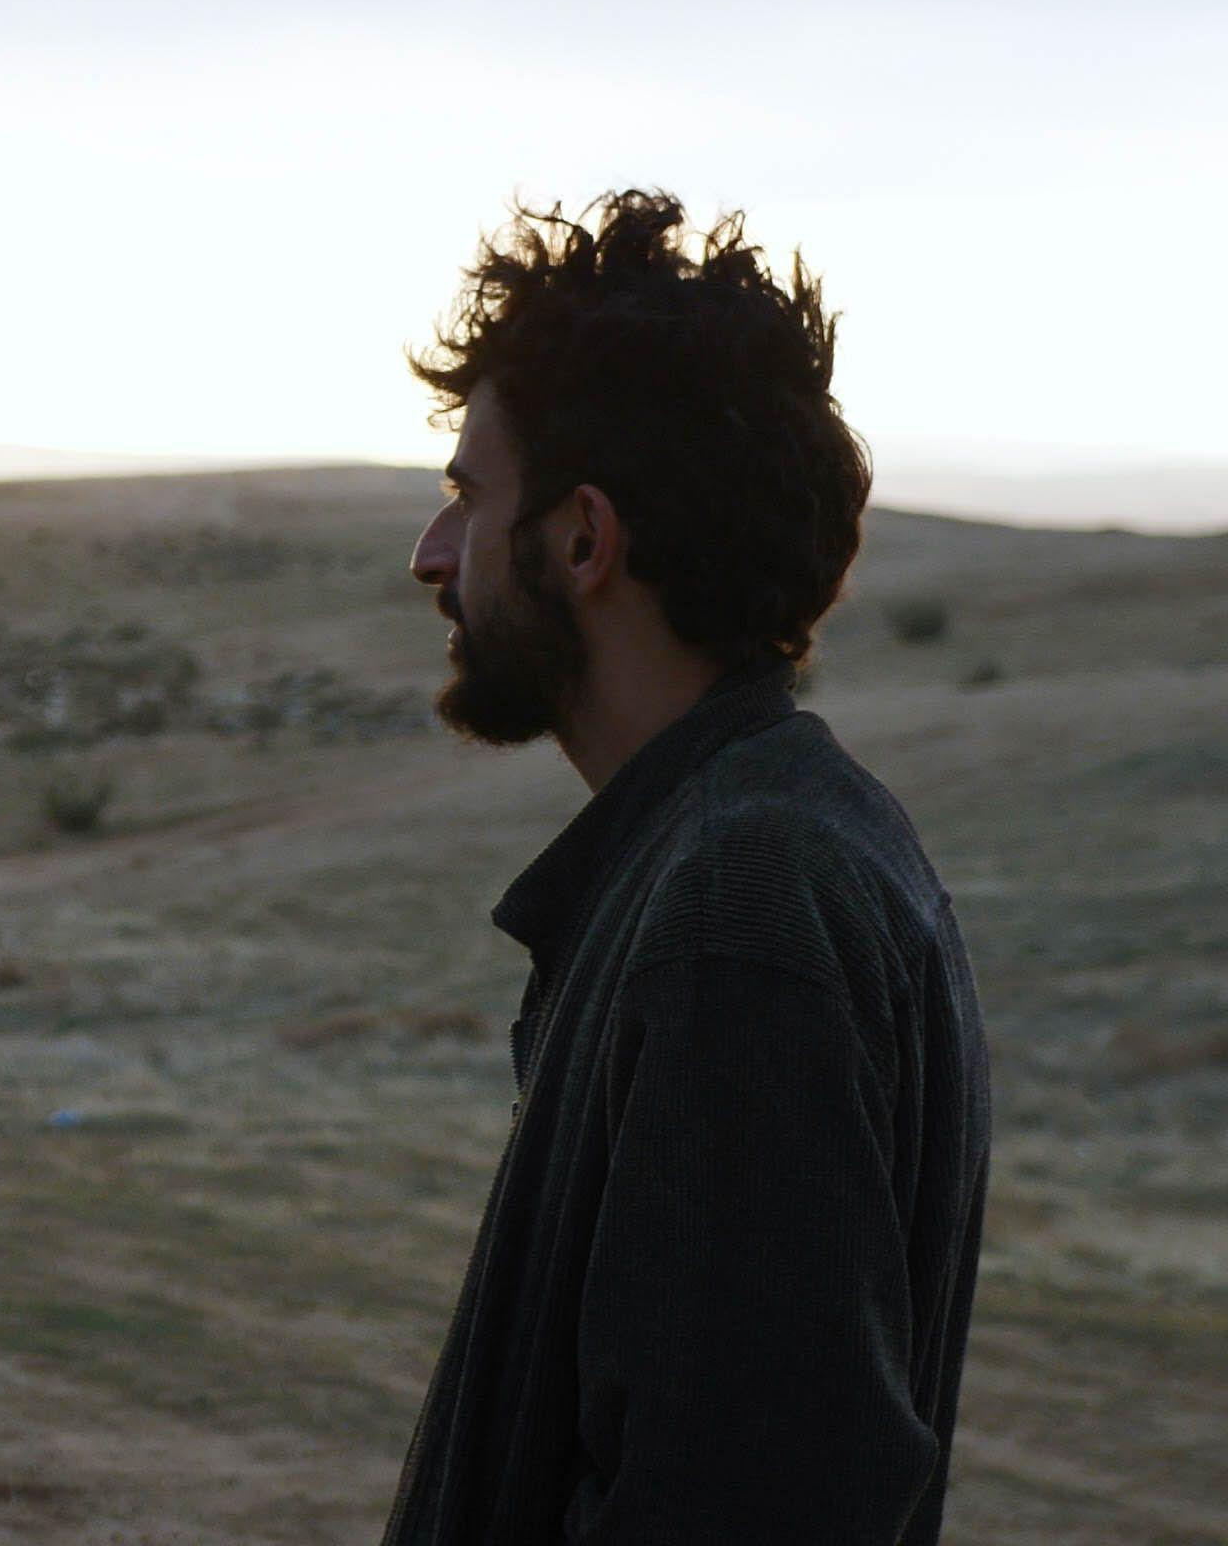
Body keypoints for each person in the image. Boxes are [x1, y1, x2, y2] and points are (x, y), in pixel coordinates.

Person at [381, 190, 990, 1546]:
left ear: (584, 541)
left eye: (469, 499)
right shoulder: (762, 850)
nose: (431, 555)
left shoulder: (744, 910)